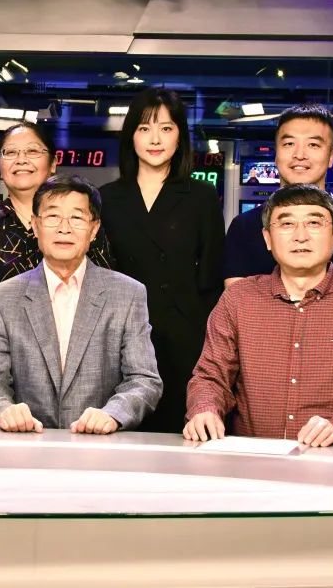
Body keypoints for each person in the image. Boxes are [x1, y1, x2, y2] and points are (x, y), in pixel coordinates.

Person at [185, 184, 333, 447]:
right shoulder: (238, 299)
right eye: (287, 224)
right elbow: (211, 376)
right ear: (267, 238)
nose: (300, 236)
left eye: (314, 223)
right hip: (250, 460)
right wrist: (205, 409)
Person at [0, 175, 162, 434]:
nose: (64, 228)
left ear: (94, 229)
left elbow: (144, 380)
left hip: (100, 446)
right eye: (53, 216)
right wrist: (3, 409)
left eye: (77, 218)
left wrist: (113, 414)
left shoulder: (128, 294)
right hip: (27, 444)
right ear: (35, 225)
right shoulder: (2, 298)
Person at [0, 122, 111, 417]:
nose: (21, 160)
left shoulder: (81, 222)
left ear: (53, 162)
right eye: (10, 152)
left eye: (32, 151)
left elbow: (101, 295)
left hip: (70, 371)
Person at [99, 88, 224, 432]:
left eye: (166, 128)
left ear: (180, 136)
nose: (155, 139)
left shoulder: (201, 197)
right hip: (121, 341)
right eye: (145, 128)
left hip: (185, 342)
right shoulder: (106, 198)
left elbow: (212, 279)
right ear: (131, 136)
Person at [223, 104, 333, 292]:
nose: (299, 155)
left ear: (331, 156)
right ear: (276, 154)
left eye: (313, 145)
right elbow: (237, 301)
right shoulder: (243, 227)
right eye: (289, 144)